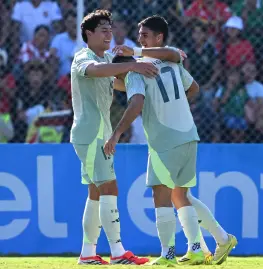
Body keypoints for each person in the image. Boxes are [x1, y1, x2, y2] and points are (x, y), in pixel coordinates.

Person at [107, 15, 237, 265]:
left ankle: (167, 254)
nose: (140, 39)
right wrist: (174, 107)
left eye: (145, 35)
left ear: (159, 38)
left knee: (161, 196)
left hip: (165, 139)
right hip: (188, 134)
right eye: (139, 34)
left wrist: (117, 133)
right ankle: (211, 243)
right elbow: (195, 87)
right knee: (181, 195)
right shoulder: (173, 64)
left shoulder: (138, 69)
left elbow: (135, 102)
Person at [71, 10, 181, 265]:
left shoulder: (109, 58)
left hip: (95, 133)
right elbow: (97, 70)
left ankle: (88, 253)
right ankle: (118, 252)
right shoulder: (83, 57)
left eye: (110, 29)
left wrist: (135, 69)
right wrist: (132, 65)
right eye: (103, 30)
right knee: (109, 186)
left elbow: (117, 78)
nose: (109, 34)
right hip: (91, 134)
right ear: (89, 34)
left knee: (96, 192)